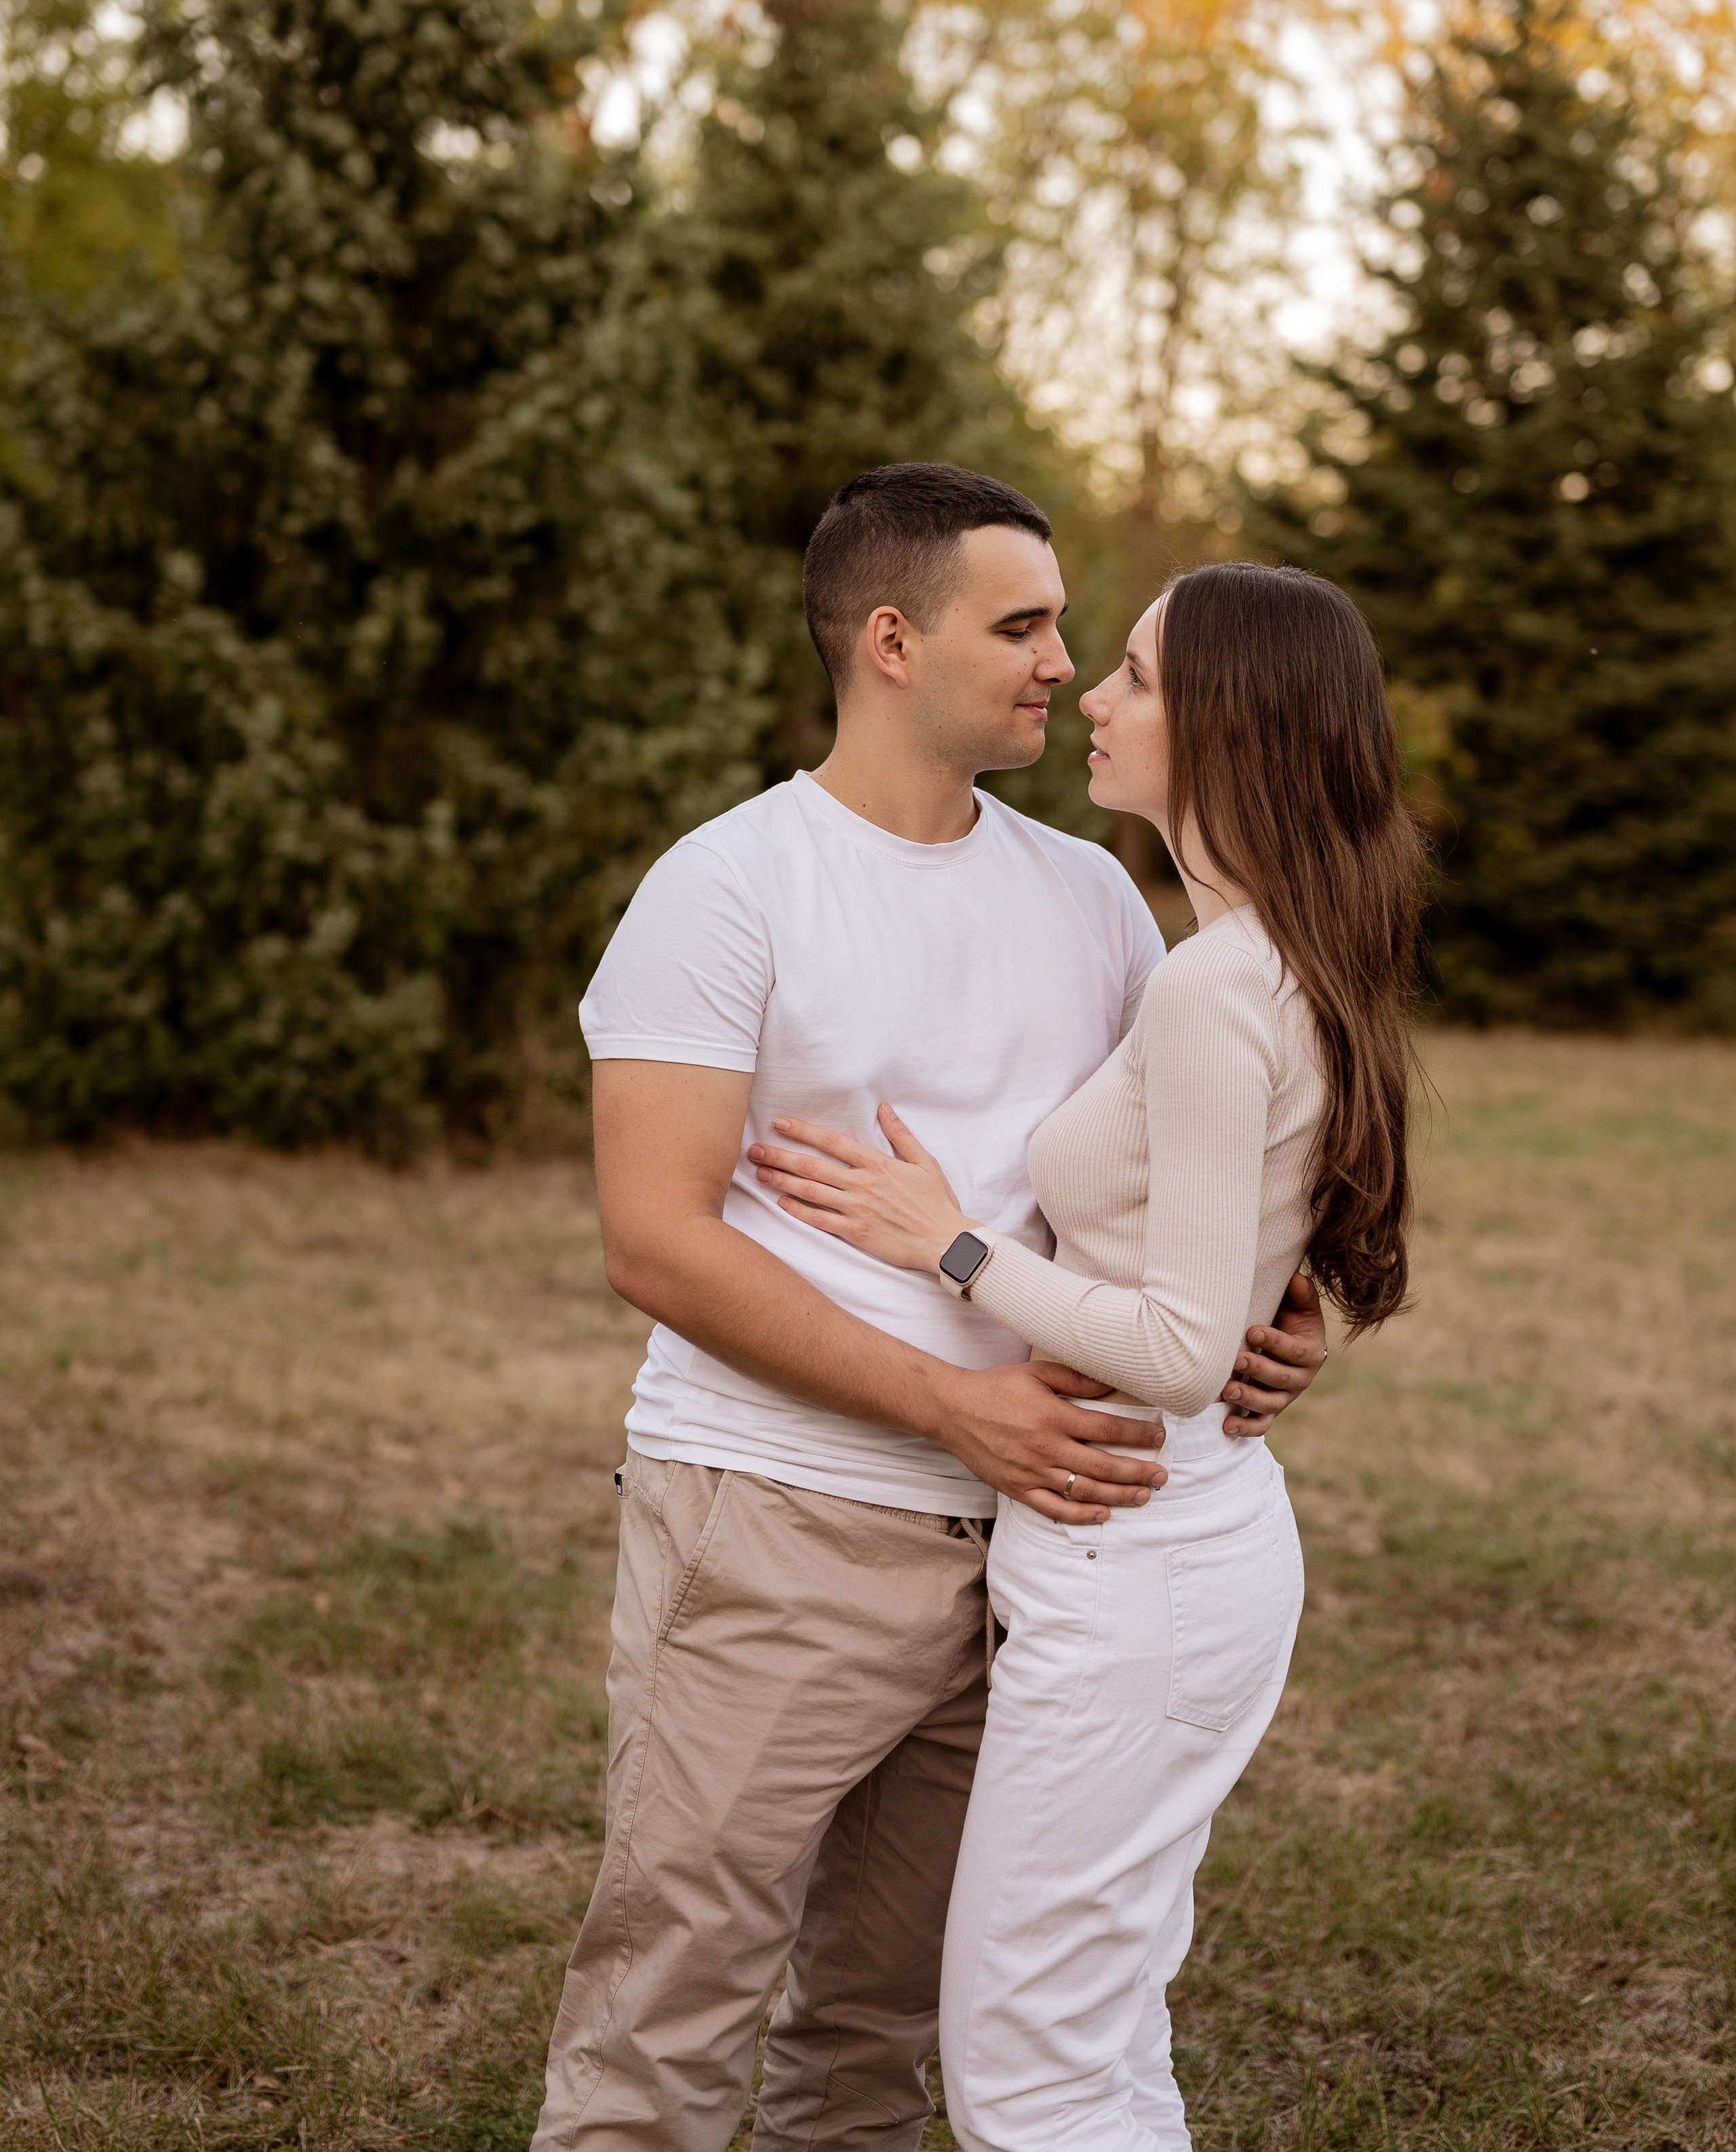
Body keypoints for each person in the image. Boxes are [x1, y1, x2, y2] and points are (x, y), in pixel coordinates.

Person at [530, 468, 1328, 2152]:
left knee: (879, 2030)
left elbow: (1186, 1149)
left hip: (1041, 1548)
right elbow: (655, 1243)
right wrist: (949, 1401)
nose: (1060, 665)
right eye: (1021, 626)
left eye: (1067, 631)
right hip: (781, 1525)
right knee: (671, 2009)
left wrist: (1283, 1299)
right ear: (891, 641)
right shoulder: (728, 887)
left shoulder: (1090, 892)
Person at [748, 561, 1422, 2152]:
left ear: (1230, 724)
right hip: (1173, 1540)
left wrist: (946, 1244)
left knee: (1028, 2066)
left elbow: (1179, 1349)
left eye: (1133, 673)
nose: (1088, 694)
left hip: (1140, 1551)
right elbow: (1234, 1251)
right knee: (1097, 2033)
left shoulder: (1213, 985)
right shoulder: (1275, 952)